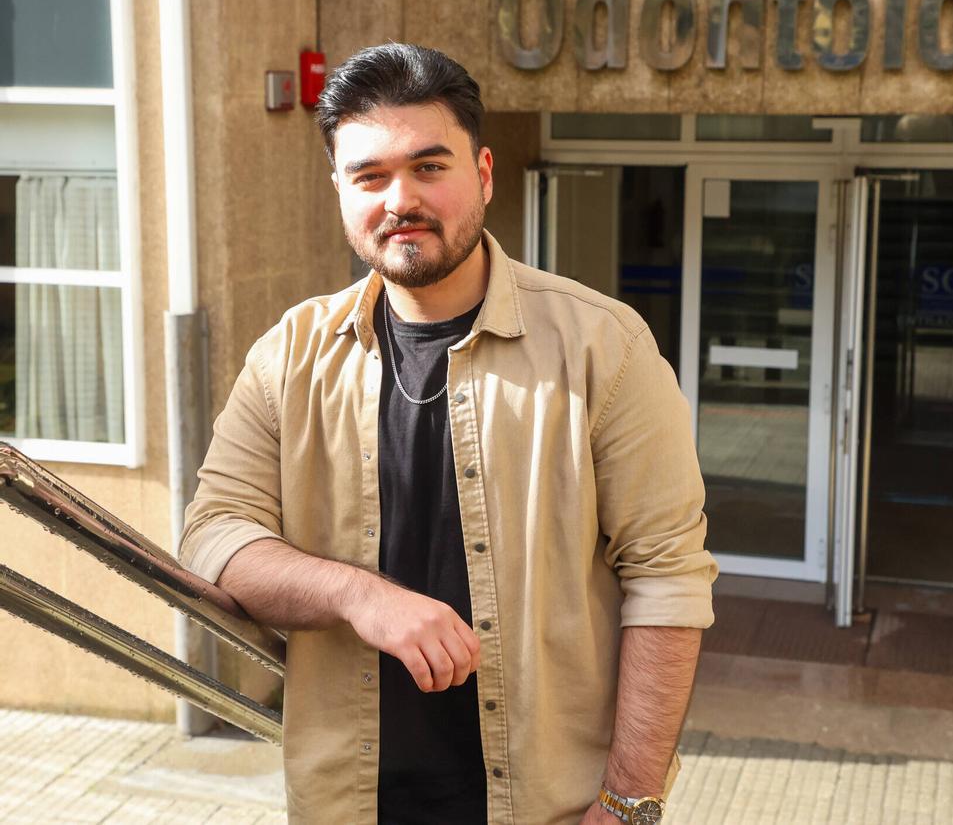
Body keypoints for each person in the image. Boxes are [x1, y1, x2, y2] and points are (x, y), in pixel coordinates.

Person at [180, 42, 717, 825]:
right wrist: (360, 596)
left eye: (430, 166)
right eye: (369, 175)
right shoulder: (287, 358)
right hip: (346, 805)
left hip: (547, 807)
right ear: (340, 188)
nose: (400, 198)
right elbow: (213, 534)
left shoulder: (606, 348)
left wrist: (630, 801)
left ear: (486, 174)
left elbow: (668, 578)